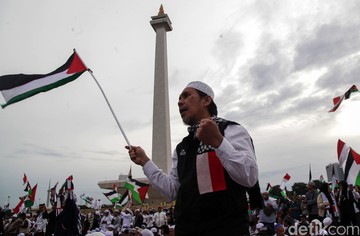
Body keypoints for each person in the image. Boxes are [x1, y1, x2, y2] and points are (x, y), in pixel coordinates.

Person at [126, 81, 258, 235]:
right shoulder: (182, 147)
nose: (180, 102)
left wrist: (219, 142)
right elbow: (174, 190)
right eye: (179, 99)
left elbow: (249, 176)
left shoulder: (231, 130)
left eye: (187, 96)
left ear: (206, 100)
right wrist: (145, 162)